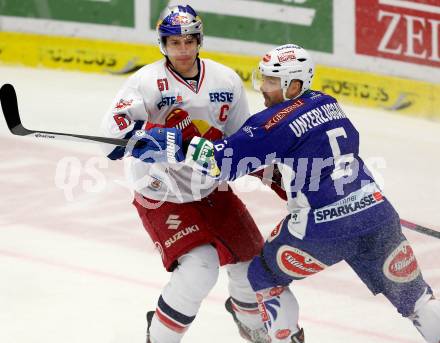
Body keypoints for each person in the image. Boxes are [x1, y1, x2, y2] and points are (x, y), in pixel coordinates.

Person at [182, 44, 440, 342]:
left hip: (323, 226)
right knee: (417, 300)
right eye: (263, 78)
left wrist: (174, 142)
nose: (262, 88)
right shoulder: (327, 102)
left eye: (270, 81)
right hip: (376, 212)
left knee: (264, 275)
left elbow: (218, 163)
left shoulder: (272, 121)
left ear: (293, 85)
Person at [100, 4, 272, 343]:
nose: (183, 49)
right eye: (174, 42)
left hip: (211, 188)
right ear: (163, 44)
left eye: (189, 41)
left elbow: (242, 139)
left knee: (253, 265)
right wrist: (146, 135)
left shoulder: (225, 79)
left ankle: (248, 316)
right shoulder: (146, 81)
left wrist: (275, 171)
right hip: (161, 190)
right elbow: (111, 135)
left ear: (199, 41)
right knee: (200, 269)